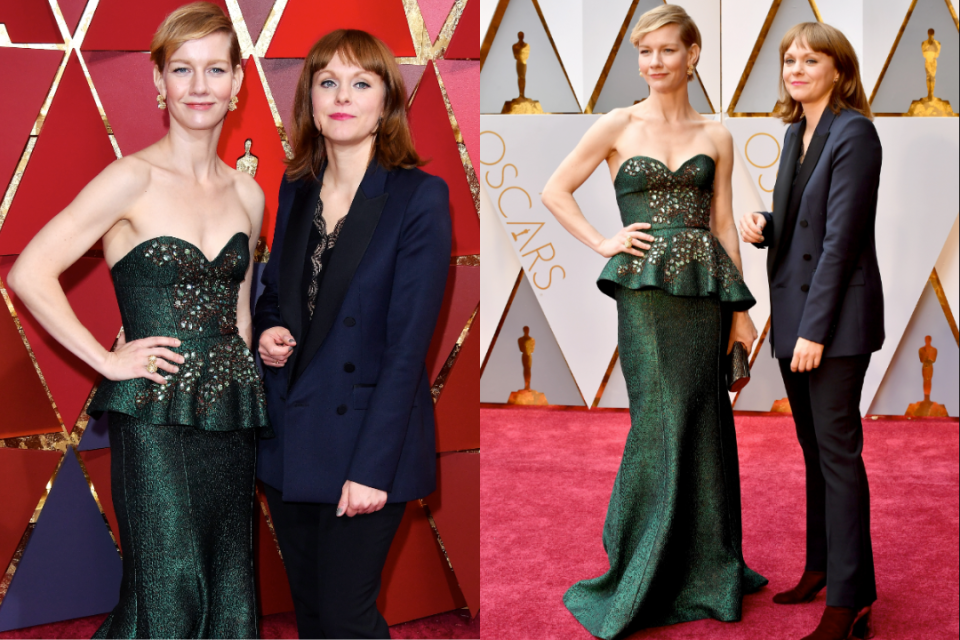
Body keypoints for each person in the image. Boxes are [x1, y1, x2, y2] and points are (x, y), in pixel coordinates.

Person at [7, 3, 268, 638]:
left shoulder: (249, 193)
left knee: (232, 582)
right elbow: (28, 272)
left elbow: (237, 308)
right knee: (168, 589)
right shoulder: (131, 178)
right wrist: (106, 360)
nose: (199, 86)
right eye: (183, 69)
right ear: (159, 83)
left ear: (236, 83)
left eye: (214, 70)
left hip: (231, 414)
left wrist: (262, 351)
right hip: (152, 413)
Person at [541, 5, 767, 638]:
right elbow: (554, 190)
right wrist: (602, 240)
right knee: (660, 422)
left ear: (693, 54)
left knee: (702, 420)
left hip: (704, 294)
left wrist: (741, 318)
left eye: (668, 50)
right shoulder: (618, 123)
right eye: (645, 52)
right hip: (645, 296)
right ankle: (643, 566)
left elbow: (723, 226)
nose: (655, 63)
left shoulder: (716, 134)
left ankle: (706, 565)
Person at [253, 29, 451, 639]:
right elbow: (276, 296)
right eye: (328, 81)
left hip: (367, 443)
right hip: (291, 438)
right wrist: (269, 330)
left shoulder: (420, 196)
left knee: (345, 617)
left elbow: (406, 347)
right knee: (311, 612)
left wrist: (372, 469)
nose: (343, 96)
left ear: (385, 101)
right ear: (310, 100)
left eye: (361, 83)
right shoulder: (295, 188)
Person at [739, 21, 883, 640]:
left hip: (833, 326)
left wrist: (814, 332)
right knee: (814, 455)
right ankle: (821, 567)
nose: (796, 69)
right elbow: (805, 224)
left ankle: (852, 599)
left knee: (838, 457)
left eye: (811, 60)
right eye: (790, 60)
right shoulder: (798, 131)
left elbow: (841, 241)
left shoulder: (855, 132)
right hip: (798, 318)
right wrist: (769, 224)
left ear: (838, 70)